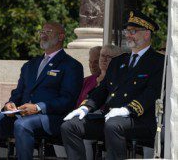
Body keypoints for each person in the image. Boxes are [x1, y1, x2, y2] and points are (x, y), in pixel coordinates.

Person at [61, 10, 164, 160]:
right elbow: (102, 90)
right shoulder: (119, 61)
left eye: (133, 31)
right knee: (70, 126)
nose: (128, 35)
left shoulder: (158, 62)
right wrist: (86, 107)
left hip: (139, 121)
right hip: (110, 117)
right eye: (127, 31)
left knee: (113, 125)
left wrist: (126, 110)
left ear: (147, 34)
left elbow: (152, 93)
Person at [0, 22, 83, 160]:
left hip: (51, 118)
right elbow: (18, 93)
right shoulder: (30, 65)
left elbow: (68, 100)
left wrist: (38, 107)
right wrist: (10, 103)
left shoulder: (71, 65)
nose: (43, 35)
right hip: (21, 114)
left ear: (61, 36)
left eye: (48, 32)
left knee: (22, 125)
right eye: (42, 32)